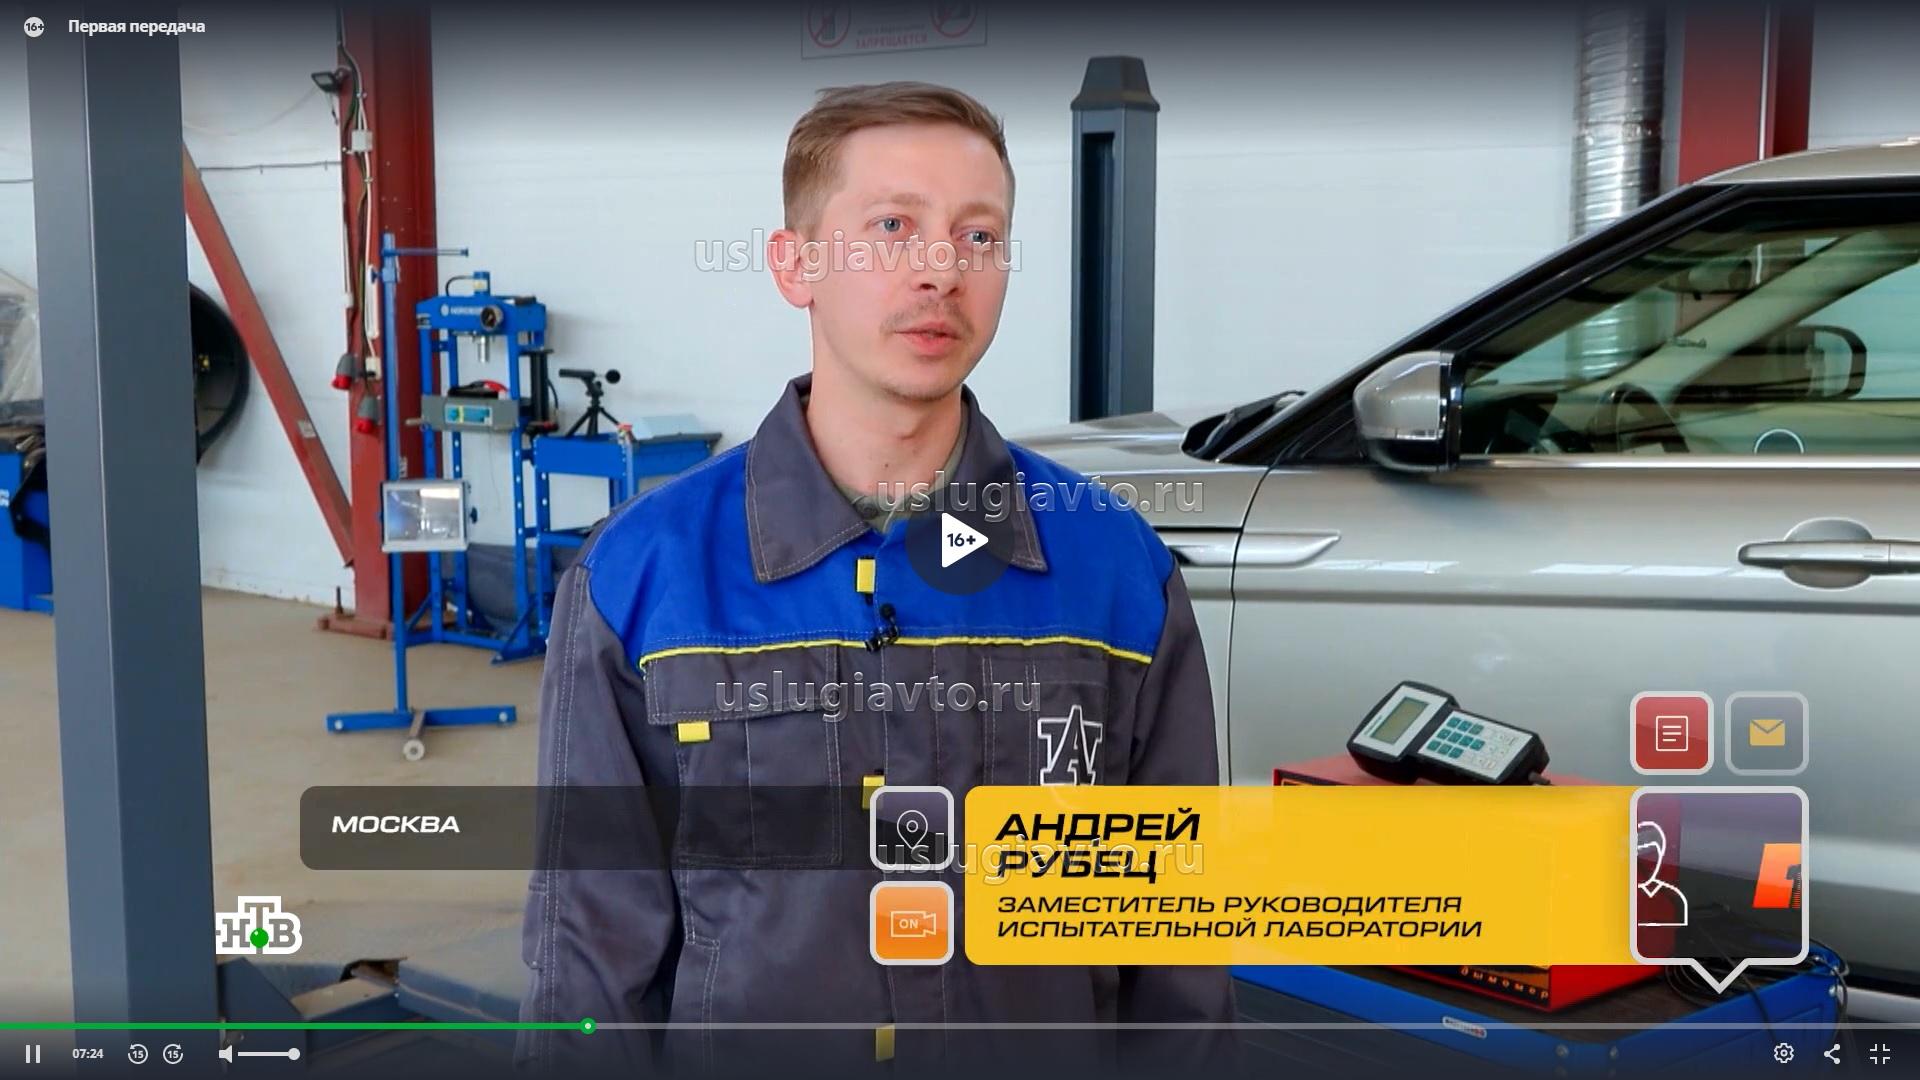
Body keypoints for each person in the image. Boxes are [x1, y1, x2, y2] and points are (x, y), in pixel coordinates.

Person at [517, 81, 1236, 1075]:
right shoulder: (639, 581)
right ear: (796, 264)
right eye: (893, 227)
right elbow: (587, 965)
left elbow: (1177, 953)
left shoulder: (1117, 574)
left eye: (979, 236)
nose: (943, 270)